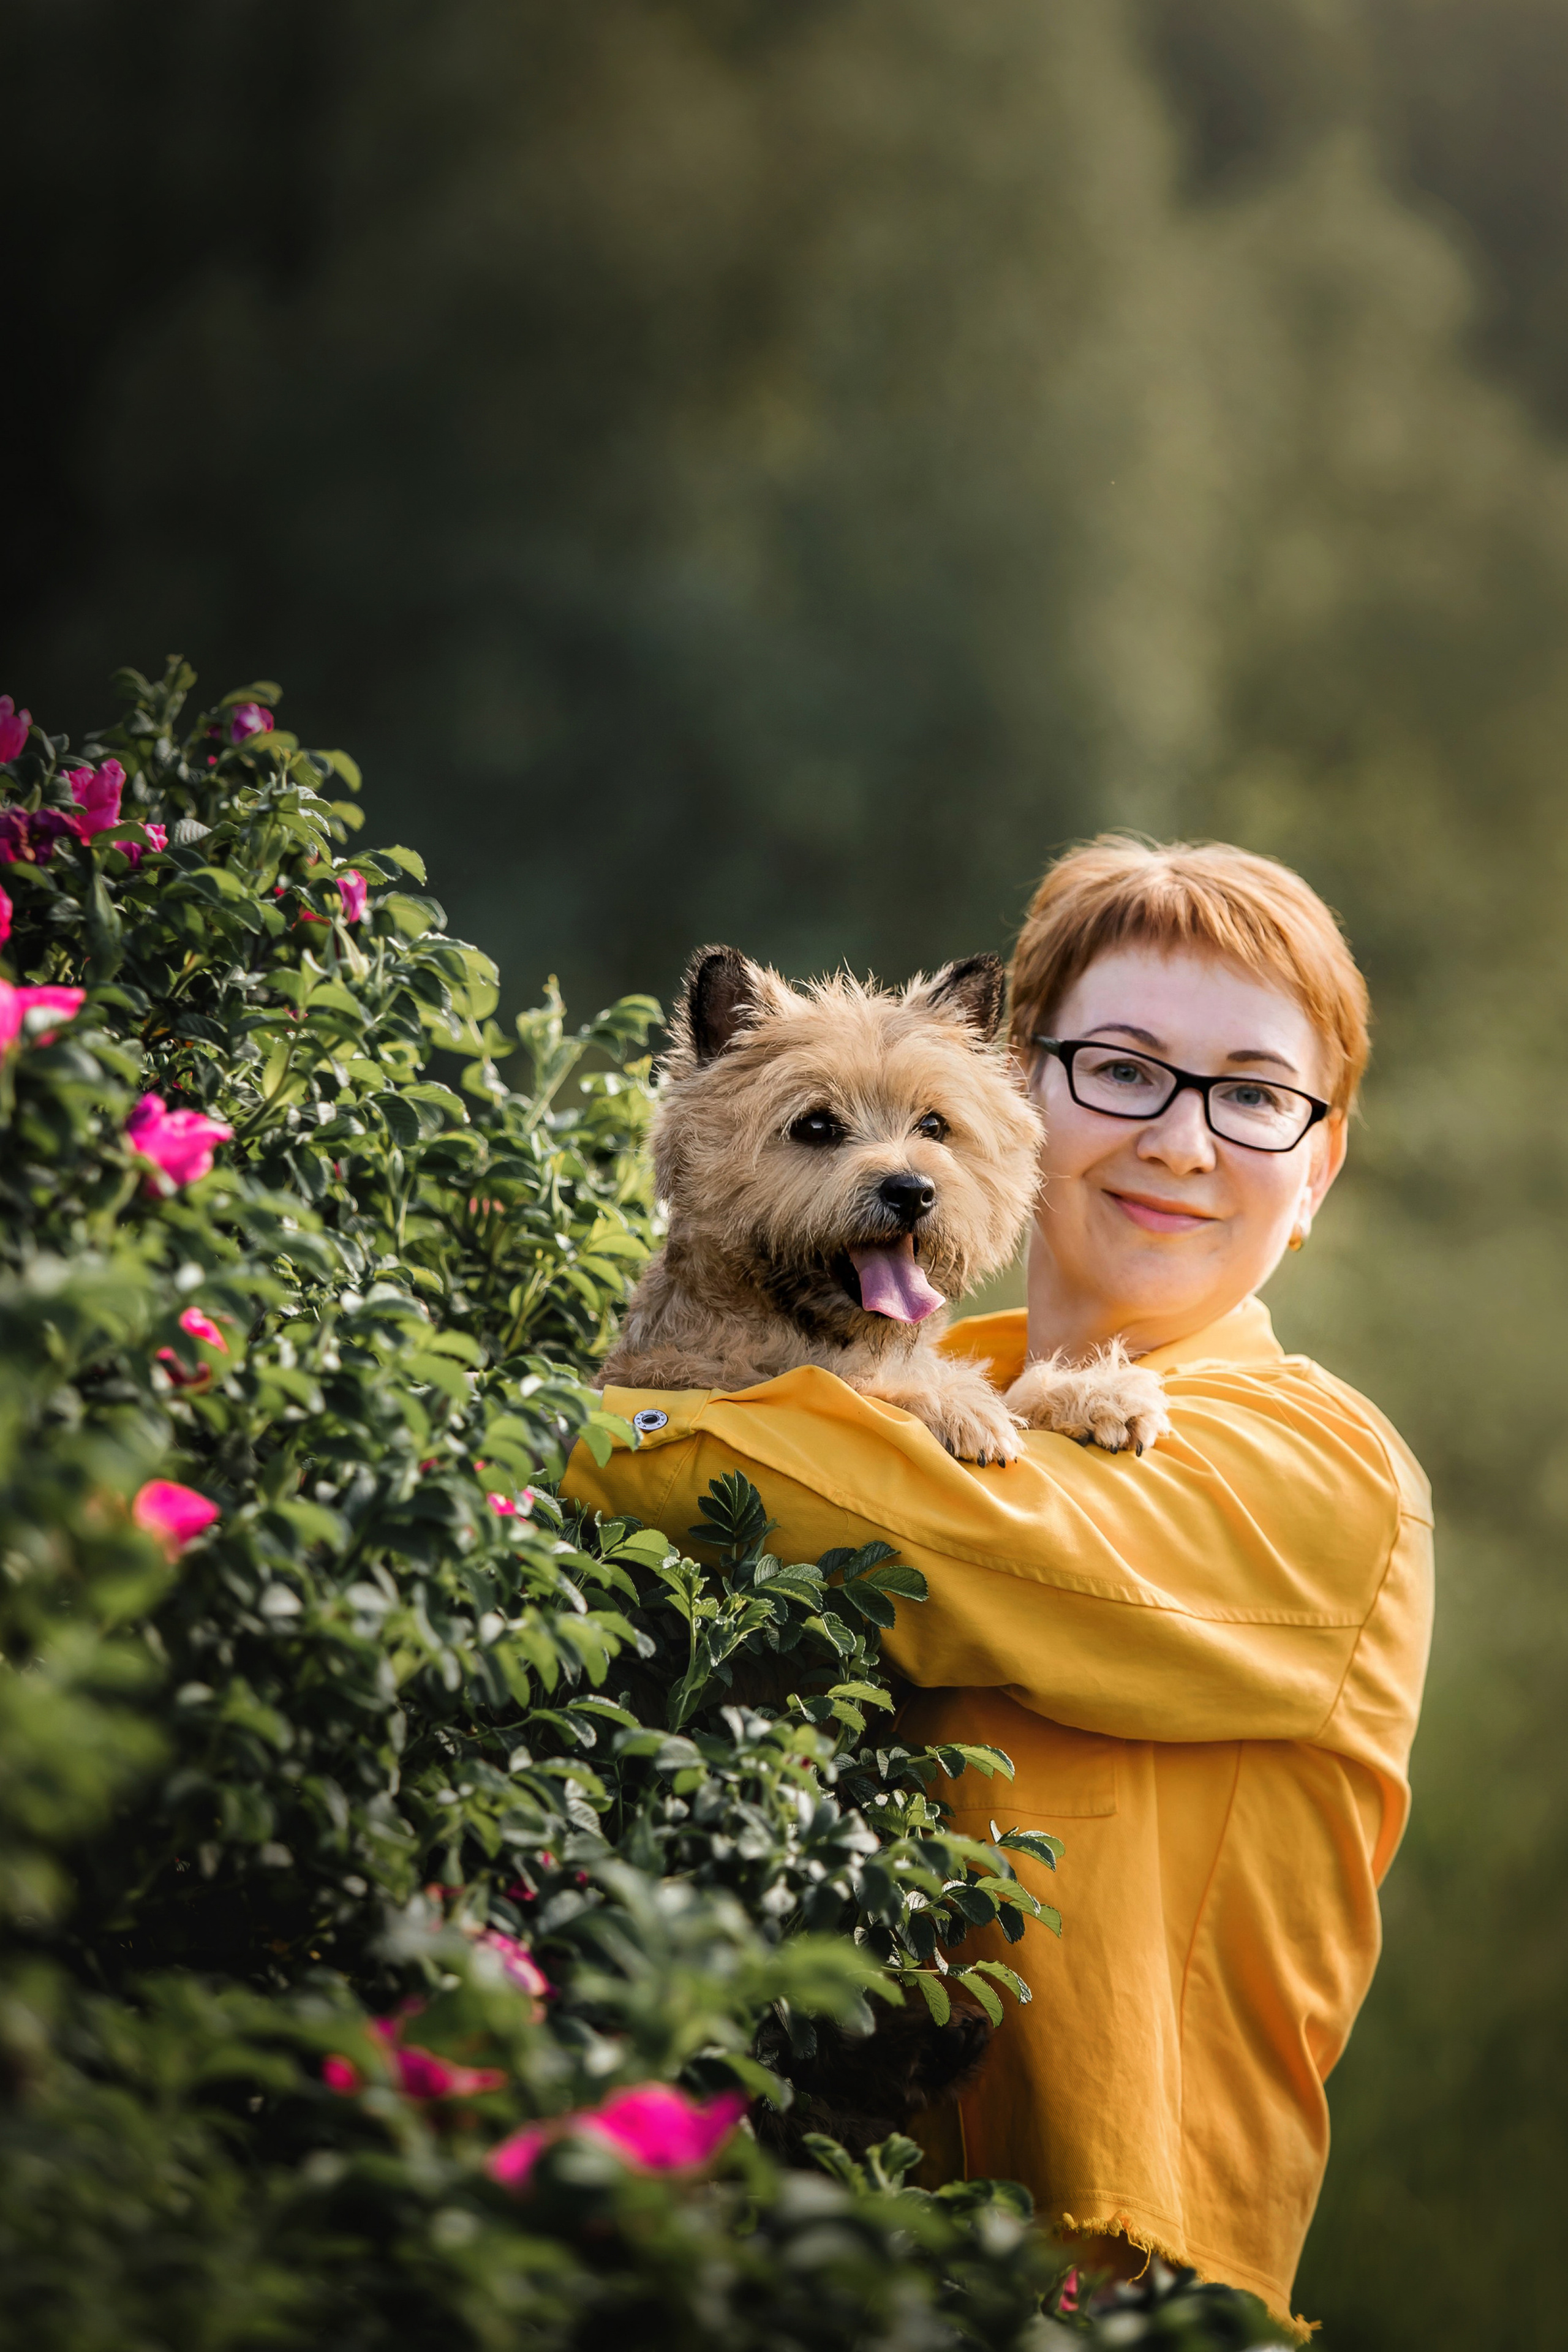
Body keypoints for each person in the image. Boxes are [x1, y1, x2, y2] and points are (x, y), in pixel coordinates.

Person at [564, 839, 1433, 2341]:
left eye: (1251, 1096)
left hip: (1088, 2288)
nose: (1179, 1141)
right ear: (1024, 1097)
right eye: (1124, 1071)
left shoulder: (1320, 1466)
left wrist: (511, 1429)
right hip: (754, 2238)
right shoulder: (911, 1377)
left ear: (1317, 1166)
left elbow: (922, 1534)